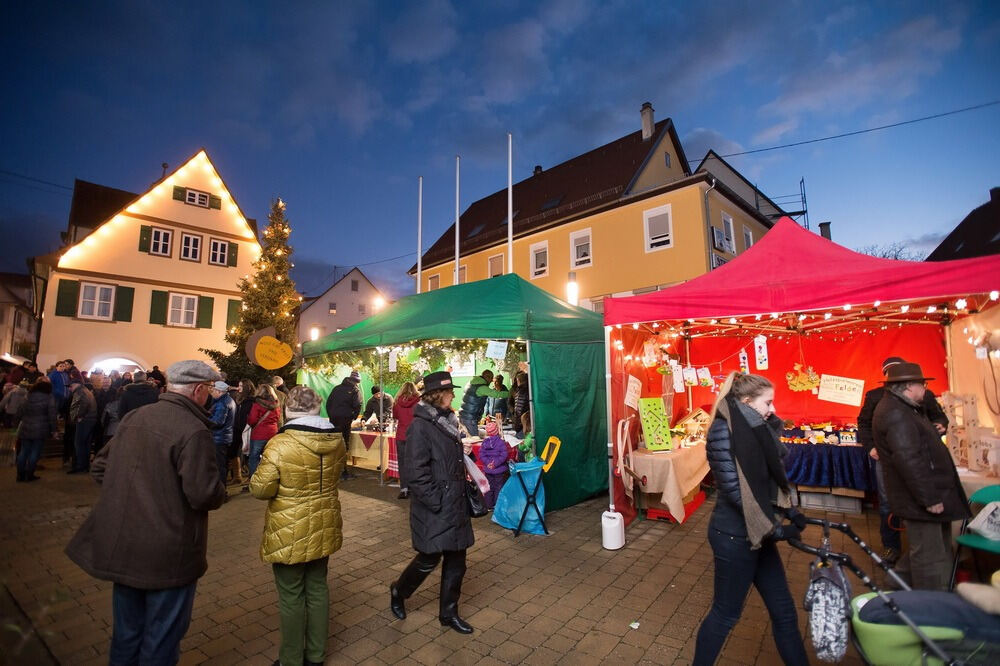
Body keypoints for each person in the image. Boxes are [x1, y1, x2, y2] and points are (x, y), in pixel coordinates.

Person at [65, 360, 226, 665]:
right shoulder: (193, 429)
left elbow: (100, 468)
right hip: (168, 553)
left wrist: (131, 495)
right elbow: (204, 493)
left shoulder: (136, 416)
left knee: (126, 634)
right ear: (200, 390)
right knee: (160, 640)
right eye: (209, 392)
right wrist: (220, 491)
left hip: (125, 544)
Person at [693, 372, 809, 666]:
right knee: (725, 614)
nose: (773, 409)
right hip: (735, 536)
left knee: (783, 611)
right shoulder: (723, 430)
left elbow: (771, 470)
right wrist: (778, 531)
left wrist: (786, 511)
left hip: (760, 533)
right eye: (768, 403)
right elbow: (735, 491)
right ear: (746, 402)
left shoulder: (753, 428)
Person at [250, 386, 347, 666]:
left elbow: (260, 489)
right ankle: (316, 656)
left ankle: (291, 659)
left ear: (288, 409)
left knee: (291, 595)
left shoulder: (280, 444)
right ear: (317, 407)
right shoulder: (337, 440)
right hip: (325, 521)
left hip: (288, 528)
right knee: (317, 588)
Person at [389, 371, 476, 635]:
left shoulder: (448, 421)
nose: (454, 395)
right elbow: (416, 472)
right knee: (428, 558)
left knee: (457, 561)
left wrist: (461, 451)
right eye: (450, 392)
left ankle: (448, 614)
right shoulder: (421, 426)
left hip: (454, 501)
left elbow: (443, 459)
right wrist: (436, 500)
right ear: (438, 395)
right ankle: (399, 590)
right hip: (437, 505)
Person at [872, 362, 970, 591]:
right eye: (922, 384)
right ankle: (932, 608)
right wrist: (929, 498)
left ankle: (893, 592)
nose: (925, 389)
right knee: (929, 559)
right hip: (918, 497)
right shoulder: (896, 413)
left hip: (920, 494)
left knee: (928, 549)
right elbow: (909, 459)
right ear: (909, 387)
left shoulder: (904, 407)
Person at [857, 356, 950, 565]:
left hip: (922, 457)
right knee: (888, 503)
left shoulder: (925, 396)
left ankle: (921, 548)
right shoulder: (876, 397)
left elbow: (940, 417)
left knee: (920, 498)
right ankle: (891, 546)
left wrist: (941, 425)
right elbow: (863, 423)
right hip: (887, 460)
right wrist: (871, 446)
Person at [15, 379, 57, 482]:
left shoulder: (27, 396)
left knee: (24, 451)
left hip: (25, 426)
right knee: (35, 452)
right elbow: (52, 415)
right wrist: (54, 430)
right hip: (40, 428)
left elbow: (19, 411)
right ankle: (30, 475)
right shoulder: (49, 397)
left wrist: (15, 424)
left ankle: (20, 475)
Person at [325, 370, 362, 481]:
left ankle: (334, 470)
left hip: (333, 420)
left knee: (334, 443)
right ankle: (343, 471)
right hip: (345, 420)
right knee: (344, 443)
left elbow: (328, 403)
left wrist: (331, 415)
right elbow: (358, 404)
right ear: (356, 381)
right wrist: (353, 416)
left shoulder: (336, 388)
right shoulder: (355, 390)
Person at [457, 369, 507, 436]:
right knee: (474, 441)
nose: (491, 382)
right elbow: (497, 394)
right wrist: (510, 393)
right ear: (487, 377)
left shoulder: (471, 383)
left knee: (465, 440)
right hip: (470, 419)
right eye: (491, 379)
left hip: (462, 417)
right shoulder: (482, 387)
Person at [392, 381, 420, 500]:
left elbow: (396, 416)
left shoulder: (397, 402)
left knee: (403, 464)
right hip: (415, 436)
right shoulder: (419, 402)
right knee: (417, 463)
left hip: (401, 435)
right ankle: (416, 489)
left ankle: (404, 489)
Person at [247, 385, 280, 477]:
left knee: (254, 457)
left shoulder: (257, 404)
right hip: (273, 433)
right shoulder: (276, 405)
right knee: (271, 457)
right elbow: (278, 418)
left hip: (259, 434)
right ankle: (271, 477)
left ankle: (254, 479)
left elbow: (252, 420)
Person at [208, 381, 237, 489]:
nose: (212, 392)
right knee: (222, 465)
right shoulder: (227, 400)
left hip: (219, 438)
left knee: (220, 466)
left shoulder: (222, 403)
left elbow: (218, 422)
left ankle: (221, 492)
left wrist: (205, 420)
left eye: (214, 390)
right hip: (223, 437)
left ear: (219, 391)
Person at [68, 376, 98, 473]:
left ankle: (80, 466)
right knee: (86, 444)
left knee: (79, 443)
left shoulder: (80, 391)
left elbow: (83, 403)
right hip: (90, 419)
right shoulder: (86, 390)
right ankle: (85, 466)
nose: (70, 388)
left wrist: (79, 416)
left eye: (71, 386)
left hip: (85, 420)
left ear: (76, 384)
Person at [478, 420, 511, 509]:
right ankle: (498, 505)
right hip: (499, 470)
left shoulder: (484, 442)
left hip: (488, 470)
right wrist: (495, 463)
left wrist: (488, 463)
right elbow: (504, 455)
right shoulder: (500, 442)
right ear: (497, 431)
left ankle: (488, 505)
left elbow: (481, 454)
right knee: (499, 487)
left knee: (490, 487)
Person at [230, 379, 257, 489]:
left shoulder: (252, 401)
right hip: (237, 429)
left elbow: (251, 417)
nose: (239, 387)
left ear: (247, 387)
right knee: (233, 451)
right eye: (238, 385)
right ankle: (237, 476)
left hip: (246, 430)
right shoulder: (239, 398)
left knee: (248, 454)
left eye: (241, 386)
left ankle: (252, 478)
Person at [509, 372, 530, 438]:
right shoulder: (529, 390)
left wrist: (517, 425)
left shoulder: (520, 391)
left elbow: (519, 410)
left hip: (523, 425)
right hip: (525, 423)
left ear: (518, 380)